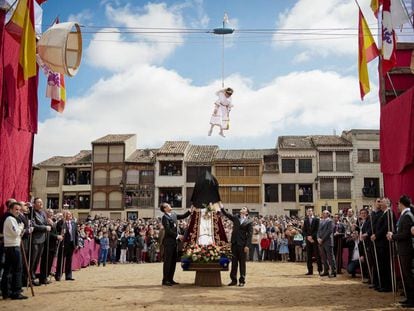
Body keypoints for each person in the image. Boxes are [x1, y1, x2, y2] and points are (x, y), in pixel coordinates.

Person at [387, 195, 414, 308]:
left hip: (407, 249)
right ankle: (409, 298)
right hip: (403, 248)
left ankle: (412, 300)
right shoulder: (404, 215)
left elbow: (406, 234)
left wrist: (393, 236)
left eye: (398, 204)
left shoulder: (407, 216)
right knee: (406, 275)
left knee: (408, 275)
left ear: (402, 204)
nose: (397, 206)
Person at [220, 205, 253, 287]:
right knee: (234, 263)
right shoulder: (235, 218)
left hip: (242, 245)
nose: (242, 209)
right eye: (242, 208)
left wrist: (247, 246)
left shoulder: (249, 221)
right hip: (234, 244)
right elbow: (227, 214)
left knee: (242, 263)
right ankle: (233, 280)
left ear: (247, 212)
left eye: (244, 208)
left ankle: (242, 280)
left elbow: (250, 235)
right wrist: (221, 207)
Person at [160, 202, 192, 286]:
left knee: (173, 261)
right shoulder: (164, 217)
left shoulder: (173, 214)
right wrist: (178, 236)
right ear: (165, 208)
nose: (170, 206)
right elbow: (168, 230)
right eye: (168, 205)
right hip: (168, 242)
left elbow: (182, 216)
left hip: (174, 242)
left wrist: (190, 210)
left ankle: (170, 279)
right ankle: (165, 280)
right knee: (168, 261)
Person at [1, 202, 27, 300]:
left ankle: (7, 292)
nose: (18, 211)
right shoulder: (10, 219)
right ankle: (16, 292)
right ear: (10, 209)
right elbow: (16, 233)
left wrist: (20, 229)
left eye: (19, 210)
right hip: (13, 247)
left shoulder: (13, 219)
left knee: (8, 270)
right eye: (16, 209)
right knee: (17, 270)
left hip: (12, 246)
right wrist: (21, 227)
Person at [29, 198, 51, 286]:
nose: (41, 203)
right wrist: (45, 228)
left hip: (43, 239)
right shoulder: (32, 212)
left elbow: (45, 223)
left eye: (41, 202)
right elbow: (33, 225)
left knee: (37, 260)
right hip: (35, 239)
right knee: (33, 260)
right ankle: (29, 278)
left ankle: (33, 277)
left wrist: (49, 223)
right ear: (34, 204)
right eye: (38, 202)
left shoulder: (43, 213)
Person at [55, 211, 78, 281]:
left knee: (69, 260)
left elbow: (76, 234)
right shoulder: (61, 222)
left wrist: (76, 244)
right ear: (64, 215)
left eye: (70, 214)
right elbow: (58, 230)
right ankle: (58, 275)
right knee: (60, 260)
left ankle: (68, 275)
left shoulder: (74, 223)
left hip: (71, 244)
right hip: (63, 244)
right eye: (68, 214)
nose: (69, 215)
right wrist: (63, 221)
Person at [302, 208, 322, 275]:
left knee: (317, 255)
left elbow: (317, 230)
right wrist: (307, 237)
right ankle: (310, 271)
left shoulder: (317, 219)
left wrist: (312, 237)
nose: (309, 212)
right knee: (309, 256)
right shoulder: (306, 220)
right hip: (308, 240)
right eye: (308, 211)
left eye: (310, 211)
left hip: (315, 240)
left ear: (312, 212)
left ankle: (320, 270)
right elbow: (304, 230)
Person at [317, 210, 336, 277]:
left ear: (328, 214)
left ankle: (333, 272)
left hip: (328, 241)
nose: (324, 214)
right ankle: (326, 271)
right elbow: (318, 231)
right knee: (324, 257)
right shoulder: (320, 221)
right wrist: (318, 238)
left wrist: (322, 239)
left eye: (325, 213)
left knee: (330, 257)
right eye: (323, 213)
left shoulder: (330, 221)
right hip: (321, 242)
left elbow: (329, 231)